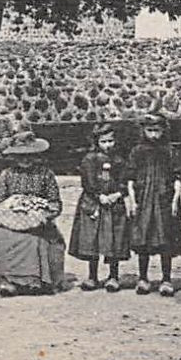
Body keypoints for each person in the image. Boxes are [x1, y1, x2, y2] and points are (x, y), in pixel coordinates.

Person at [0, 132, 66, 296]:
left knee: (36, 236)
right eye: (21, 156)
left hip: (37, 220)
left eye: (29, 155)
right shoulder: (7, 174)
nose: (25, 159)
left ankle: (36, 281)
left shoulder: (45, 174)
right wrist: (11, 208)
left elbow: (55, 203)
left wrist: (41, 212)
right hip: (11, 220)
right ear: (14, 156)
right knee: (1, 234)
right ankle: (8, 281)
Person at [126, 111, 181, 297]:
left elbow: (178, 177)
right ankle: (143, 278)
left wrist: (175, 200)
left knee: (165, 238)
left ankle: (166, 279)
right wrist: (132, 201)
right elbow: (130, 178)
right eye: (150, 130)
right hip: (144, 200)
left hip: (164, 200)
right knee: (143, 237)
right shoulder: (137, 151)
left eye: (157, 131)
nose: (153, 135)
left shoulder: (169, 151)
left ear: (163, 130)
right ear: (143, 130)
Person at [69, 123, 132, 291]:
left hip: (114, 204)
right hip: (94, 203)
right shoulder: (90, 159)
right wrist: (99, 195)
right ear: (97, 142)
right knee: (93, 240)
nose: (108, 145)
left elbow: (125, 180)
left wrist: (118, 194)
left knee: (114, 240)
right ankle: (92, 276)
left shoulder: (119, 160)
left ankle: (113, 276)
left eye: (111, 141)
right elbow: (88, 182)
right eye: (104, 141)